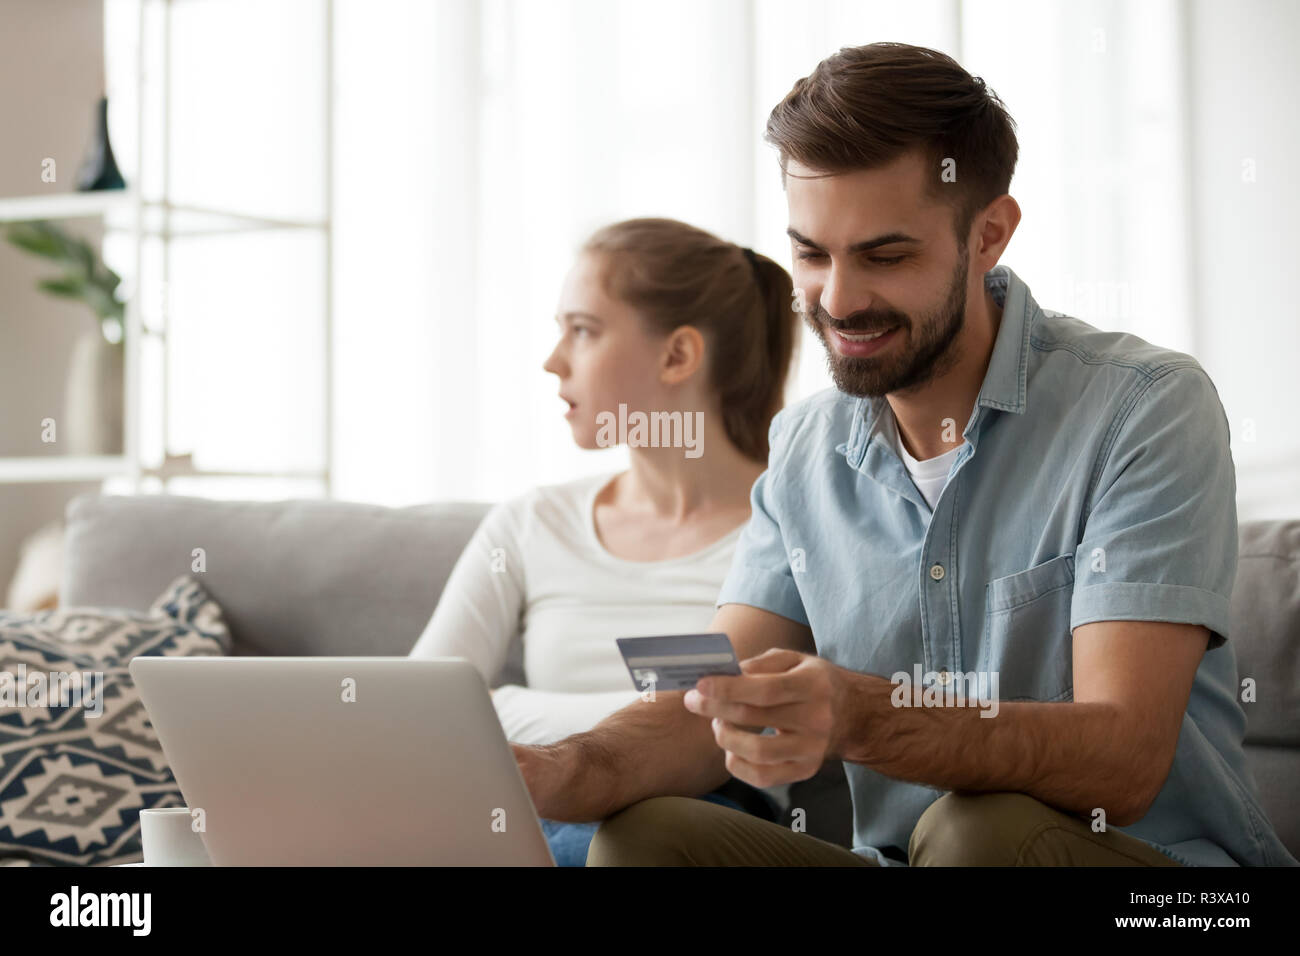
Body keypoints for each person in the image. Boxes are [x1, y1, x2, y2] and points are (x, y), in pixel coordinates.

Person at [513, 42, 1298, 867]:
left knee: (975, 834)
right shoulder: (806, 448)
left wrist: (860, 716)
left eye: (885, 256)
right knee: (648, 837)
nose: (839, 301)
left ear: (989, 234)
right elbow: (706, 701)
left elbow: (1123, 760)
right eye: (813, 255)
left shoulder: (1144, 408)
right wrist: (557, 769)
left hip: (1158, 885)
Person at [408, 216, 799, 865]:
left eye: (583, 331)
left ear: (677, 355)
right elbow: (414, 712)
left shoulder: (789, 529)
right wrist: (632, 717)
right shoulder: (533, 523)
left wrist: (501, 708)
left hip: (696, 821)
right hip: (536, 806)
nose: (552, 360)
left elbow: (710, 729)